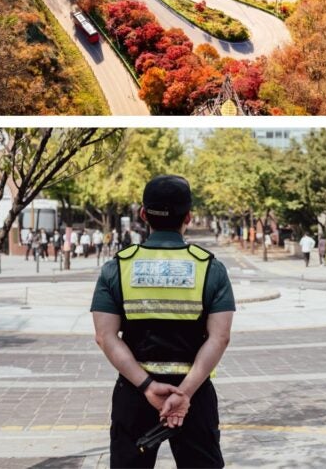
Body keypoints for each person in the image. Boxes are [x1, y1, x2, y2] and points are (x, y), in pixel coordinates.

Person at [91, 175, 235, 468]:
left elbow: (105, 336)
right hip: (194, 396)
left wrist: (146, 386)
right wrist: (185, 393)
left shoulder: (117, 267)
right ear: (189, 217)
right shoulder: (211, 268)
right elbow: (220, 338)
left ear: (143, 215)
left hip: (134, 394)